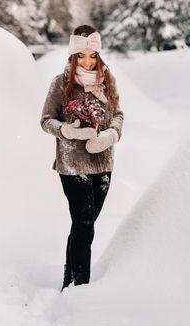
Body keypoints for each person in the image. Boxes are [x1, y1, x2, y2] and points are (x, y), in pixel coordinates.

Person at [40, 24, 124, 291]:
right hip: (73, 164)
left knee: (83, 227)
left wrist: (110, 136)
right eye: (81, 55)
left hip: (103, 162)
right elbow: (45, 121)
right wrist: (65, 129)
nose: (87, 61)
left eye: (92, 55)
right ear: (72, 55)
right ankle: (81, 288)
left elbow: (119, 115)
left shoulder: (107, 80)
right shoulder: (61, 83)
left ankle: (69, 279)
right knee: (85, 225)